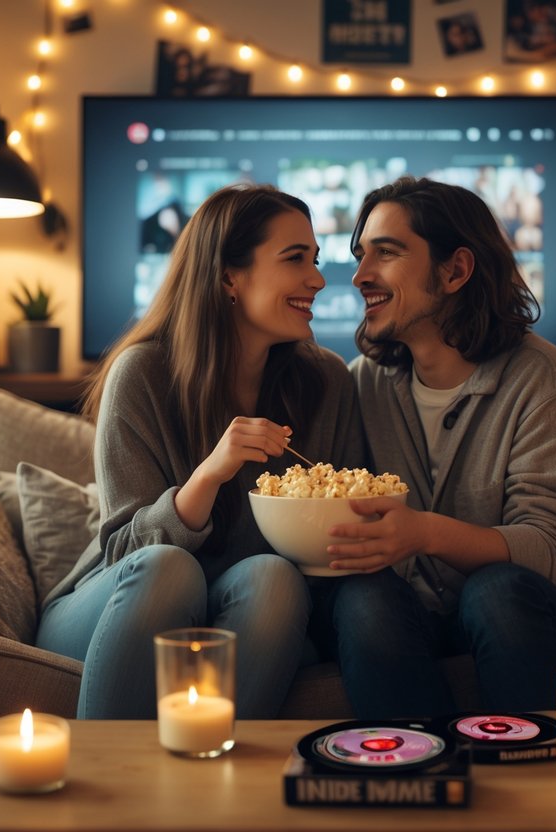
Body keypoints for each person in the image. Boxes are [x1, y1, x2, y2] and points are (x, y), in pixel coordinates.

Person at [37, 183, 362, 719]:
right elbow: (127, 551)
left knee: (275, 577)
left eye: (316, 259)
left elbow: (329, 538)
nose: (319, 280)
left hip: (241, 605)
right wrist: (210, 474)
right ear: (229, 276)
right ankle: (112, 787)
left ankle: (216, 789)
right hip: (119, 602)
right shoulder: (140, 374)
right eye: (295, 259)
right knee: (169, 569)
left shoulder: (326, 380)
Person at [310, 176, 556, 718]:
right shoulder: (365, 383)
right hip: (424, 624)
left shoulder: (540, 377)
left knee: (495, 590)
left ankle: (531, 781)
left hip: (546, 624)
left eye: (387, 253)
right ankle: (412, 772)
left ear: (455, 270)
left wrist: (424, 532)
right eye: (361, 256)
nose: (360, 276)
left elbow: (550, 550)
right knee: (363, 596)